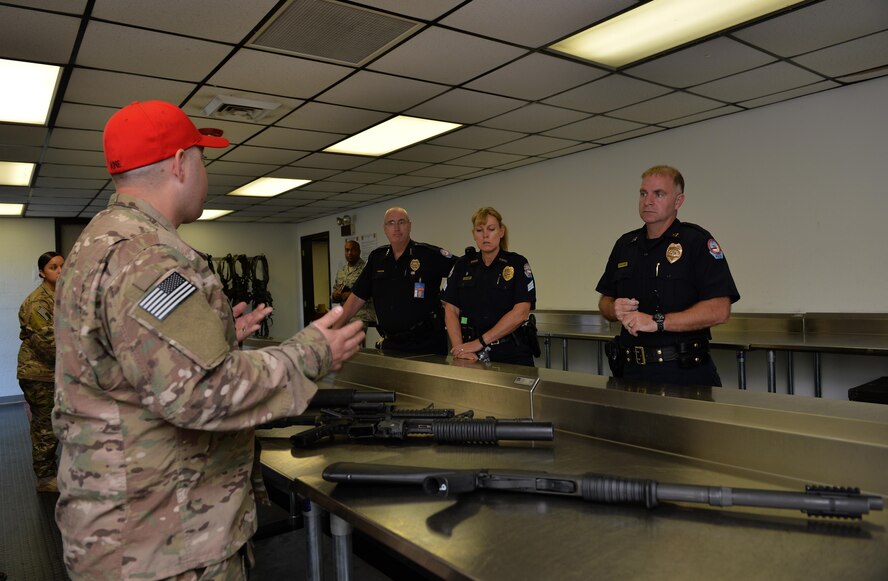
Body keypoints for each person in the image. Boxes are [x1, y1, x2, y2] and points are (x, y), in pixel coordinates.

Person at [52, 100, 364, 581]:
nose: (205, 172)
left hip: (132, 530)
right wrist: (313, 352)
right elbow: (202, 391)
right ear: (179, 163)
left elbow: (138, 360)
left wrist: (219, 335)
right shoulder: (148, 260)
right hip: (163, 541)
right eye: (203, 158)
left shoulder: (102, 241)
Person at [596, 165, 739, 387]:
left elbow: (720, 310)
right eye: (644, 193)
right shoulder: (626, 245)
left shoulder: (696, 242)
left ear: (678, 201)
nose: (648, 201)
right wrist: (613, 309)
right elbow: (604, 301)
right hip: (630, 371)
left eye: (659, 194)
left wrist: (658, 322)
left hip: (683, 372)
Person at [335, 207, 455, 355]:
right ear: (385, 228)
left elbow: (461, 269)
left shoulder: (428, 255)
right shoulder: (377, 259)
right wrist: (333, 331)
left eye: (401, 222)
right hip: (391, 344)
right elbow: (356, 298)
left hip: (426, 344)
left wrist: (448, 298)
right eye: (391, 223)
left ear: (409, 225)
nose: (396, 228)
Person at [443, 207, 538, 366]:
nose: (485, 235)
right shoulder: (463, 265)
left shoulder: (516, 263)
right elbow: (450, 309)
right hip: (470, 354)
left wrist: (480, 342)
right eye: (479, 230)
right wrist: (460, 348)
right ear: (473, 234)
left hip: (511, 353)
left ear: (501, 231)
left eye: (491, 229)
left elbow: (521, 312)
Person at [18, 250, 64, 493]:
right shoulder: (39, 302)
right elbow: (48, 344)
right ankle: (45, 478)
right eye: (53, 267)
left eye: (62, 266)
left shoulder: (62, 296)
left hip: (55, 371)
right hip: (38, 374)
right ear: (41, 273)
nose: (60, 271)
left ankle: (57, 470)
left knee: (58, 422)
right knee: (45, 426)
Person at [331, 240, 375, 325]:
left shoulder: (367, 269)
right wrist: (335, 295)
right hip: (344, 315)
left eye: (353, 250)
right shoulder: (341, 271)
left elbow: (374, 293)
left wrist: (352, 295)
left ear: (359, 252)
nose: (349, 253)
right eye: (347, 250)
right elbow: (334, 295)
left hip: (362, 315)